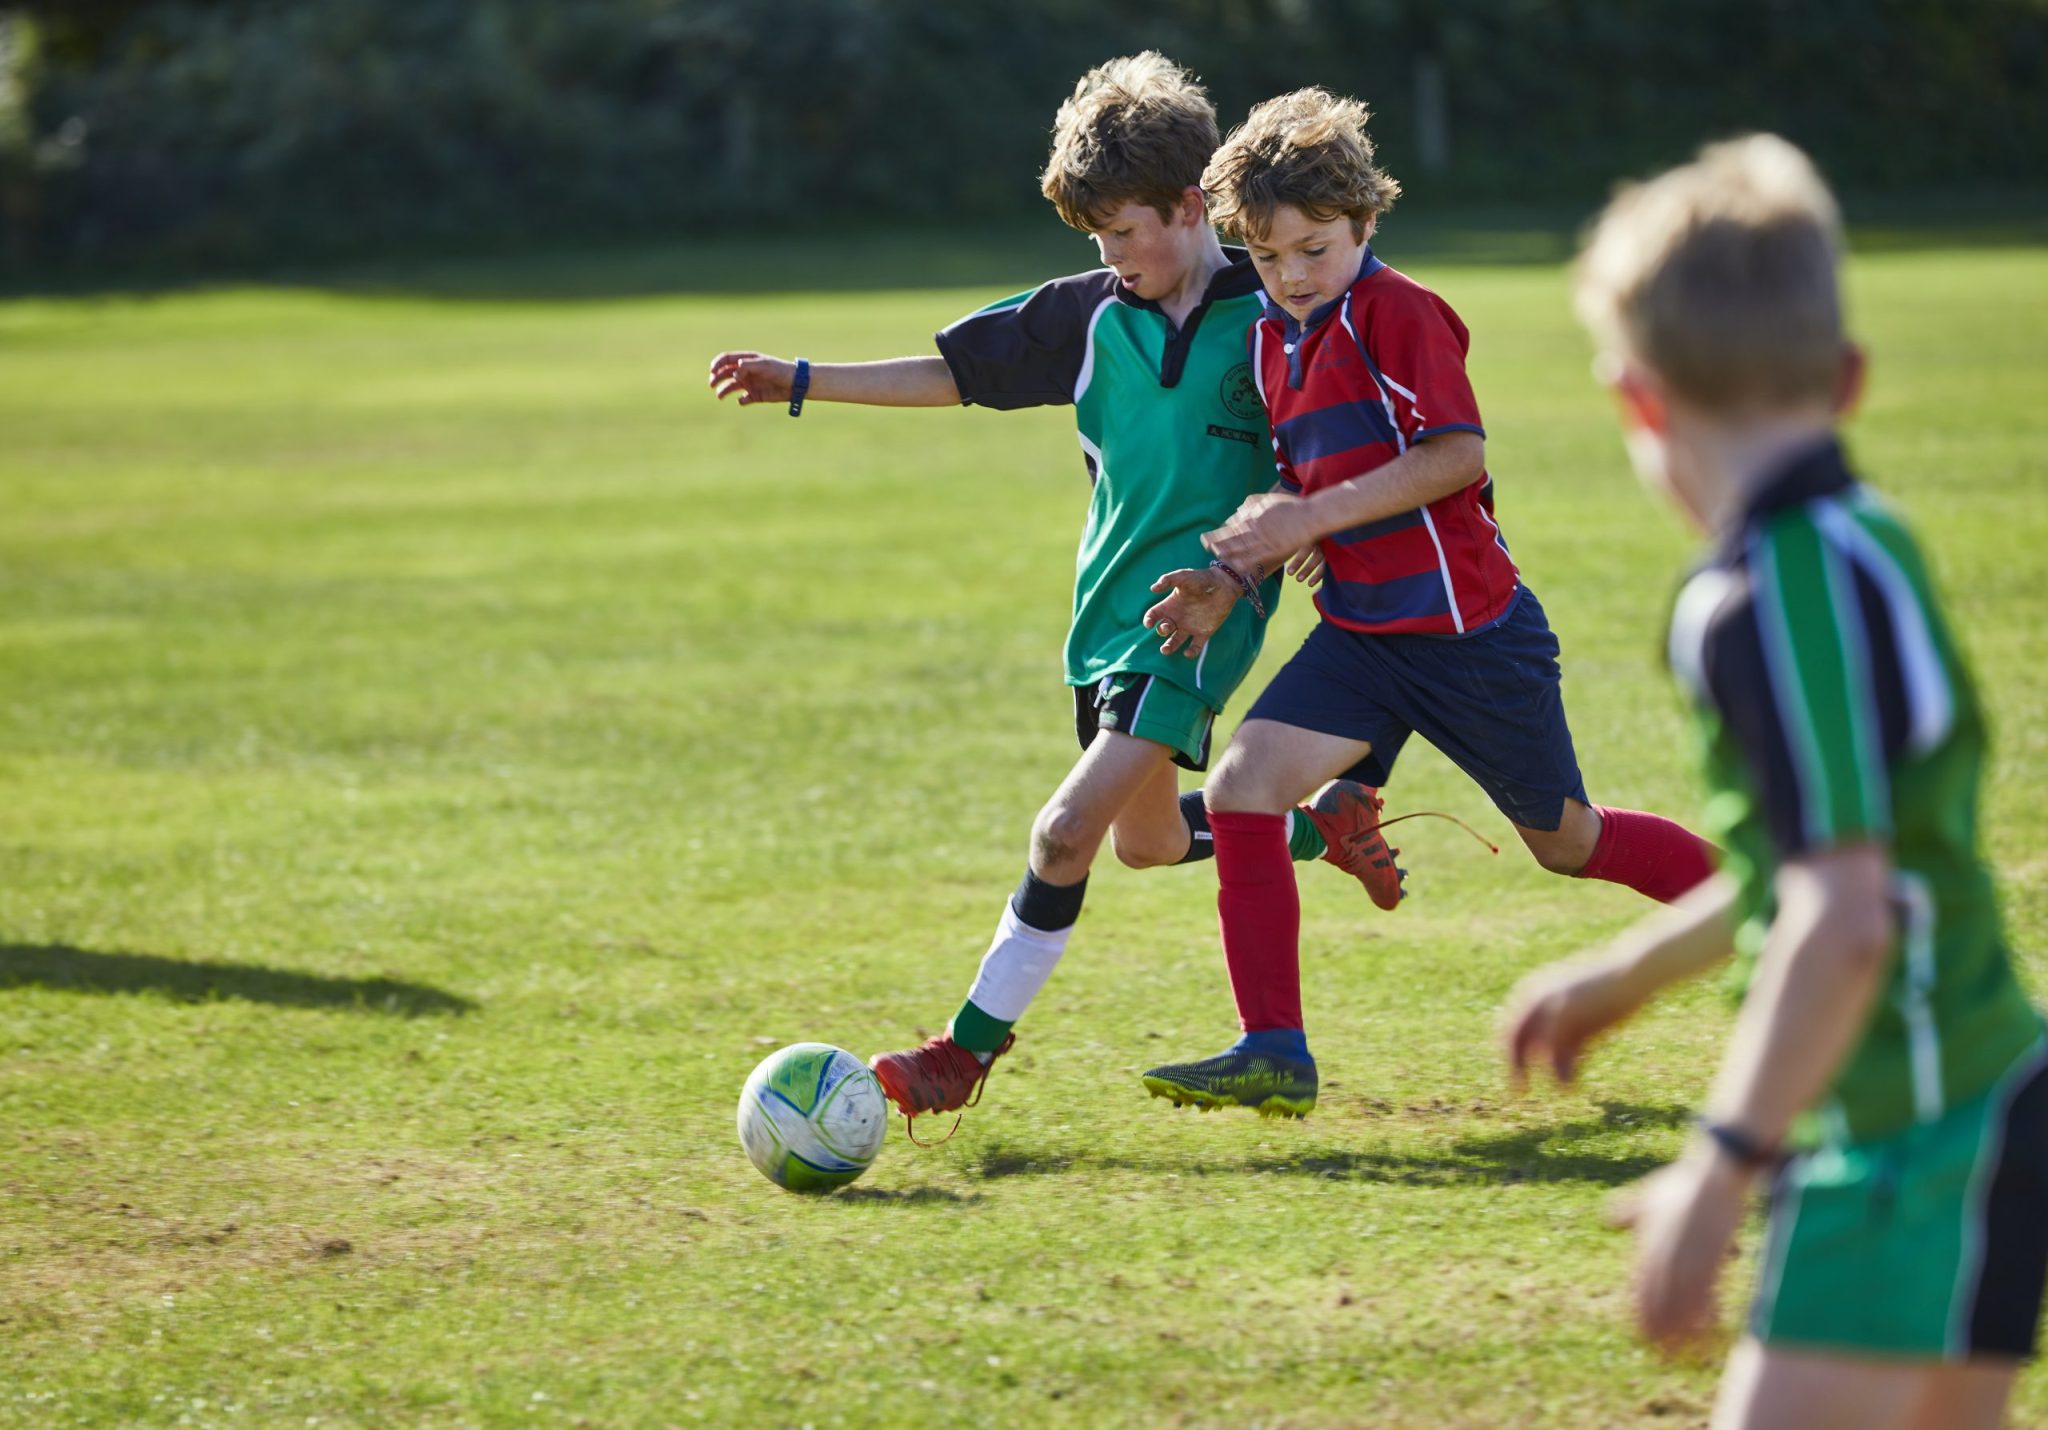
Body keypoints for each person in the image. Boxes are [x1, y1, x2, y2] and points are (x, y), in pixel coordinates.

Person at [707, 55, 1402, 1137]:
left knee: (1063, 832)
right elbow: (955, 371)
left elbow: (1341, 422)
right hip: (1102, 618)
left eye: (1124, 232)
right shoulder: (1087, 314)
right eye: (1094, 241)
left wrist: (1298, 523)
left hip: (1196, 613)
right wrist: (804, 379)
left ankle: (961, 1051)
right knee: (1146, 843)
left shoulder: (1271, 306)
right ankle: (1321, 826)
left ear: (1187, 205)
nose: (1110, 256)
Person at [1504, 134, 2046, 1428]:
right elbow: (1835, 868)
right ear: (1848, 377)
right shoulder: (1872, 538)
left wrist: (1721, 1160)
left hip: (1903, 1142)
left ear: (1637, 399)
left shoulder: (1758, 598)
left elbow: (1841, 917)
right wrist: (1627, 973)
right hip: (1989, 1098)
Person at [1139, 88, 1717, 1118]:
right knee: (1239, 788)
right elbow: (1290, 496)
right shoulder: (1272, 339)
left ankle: (1773, 911)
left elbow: (1454, 458)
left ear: (1364, 220)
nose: (1293, 276)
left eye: (1315, 248)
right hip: (1363, 639)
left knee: (1567, 842)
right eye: (1268, 258)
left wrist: (1311, 516)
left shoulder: (1397, 313)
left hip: (1469, 641)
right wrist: (1230, 578)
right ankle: (1273, 1047)